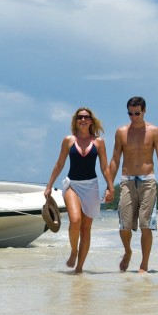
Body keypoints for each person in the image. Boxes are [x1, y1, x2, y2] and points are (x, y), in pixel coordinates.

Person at [44, 107, 114, 274]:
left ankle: (80, 269)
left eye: (86, 117)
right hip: (72, 184)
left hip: (91, 186)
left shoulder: (99, 142)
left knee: (86, 228)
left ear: (91, 120)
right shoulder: (68, 140)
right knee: (75, 220)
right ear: (76, 120)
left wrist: (110, 187)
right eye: (79, 117)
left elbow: (105, 167)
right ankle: (74, 251)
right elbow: (59, 164)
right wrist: (49, 186)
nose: (83, 120)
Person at [108, 96, 158, 274]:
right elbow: (115, 159)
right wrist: (110, 185)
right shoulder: (121, 132)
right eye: (130, 113)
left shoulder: (154, 131)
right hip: (127, 180)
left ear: (144, 111)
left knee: (146, 224)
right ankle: (127, 251)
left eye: (137, 113)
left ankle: (144, 264)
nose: (133, 116)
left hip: (147, 180)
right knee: (124, 225)